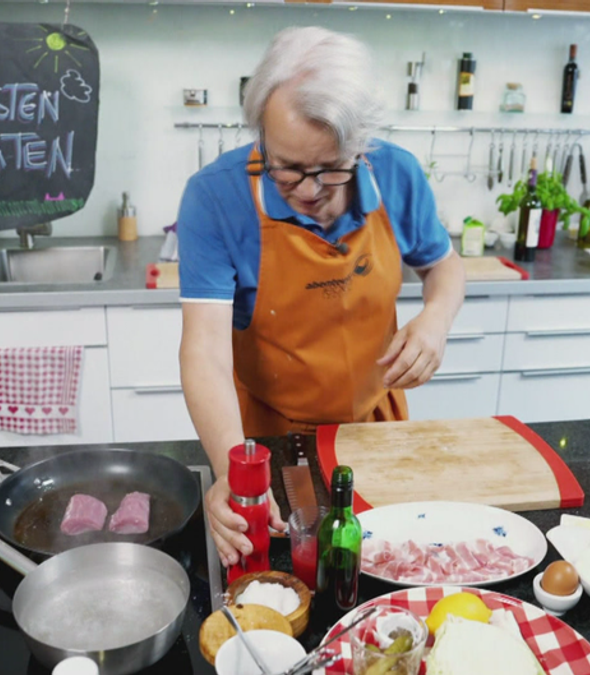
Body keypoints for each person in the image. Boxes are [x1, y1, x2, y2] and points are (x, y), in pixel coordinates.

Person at [176, 27, 466, 568]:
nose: (309, 190)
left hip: (375, 428)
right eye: (286, 167)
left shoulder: (396, 172)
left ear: (362, 144)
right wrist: (232, 470)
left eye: (331, 169)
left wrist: (436, 318)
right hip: (267, 437)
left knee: (389, 567)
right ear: (260, 130)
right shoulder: (215, 197)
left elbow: (444, 266)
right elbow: (205, 353)